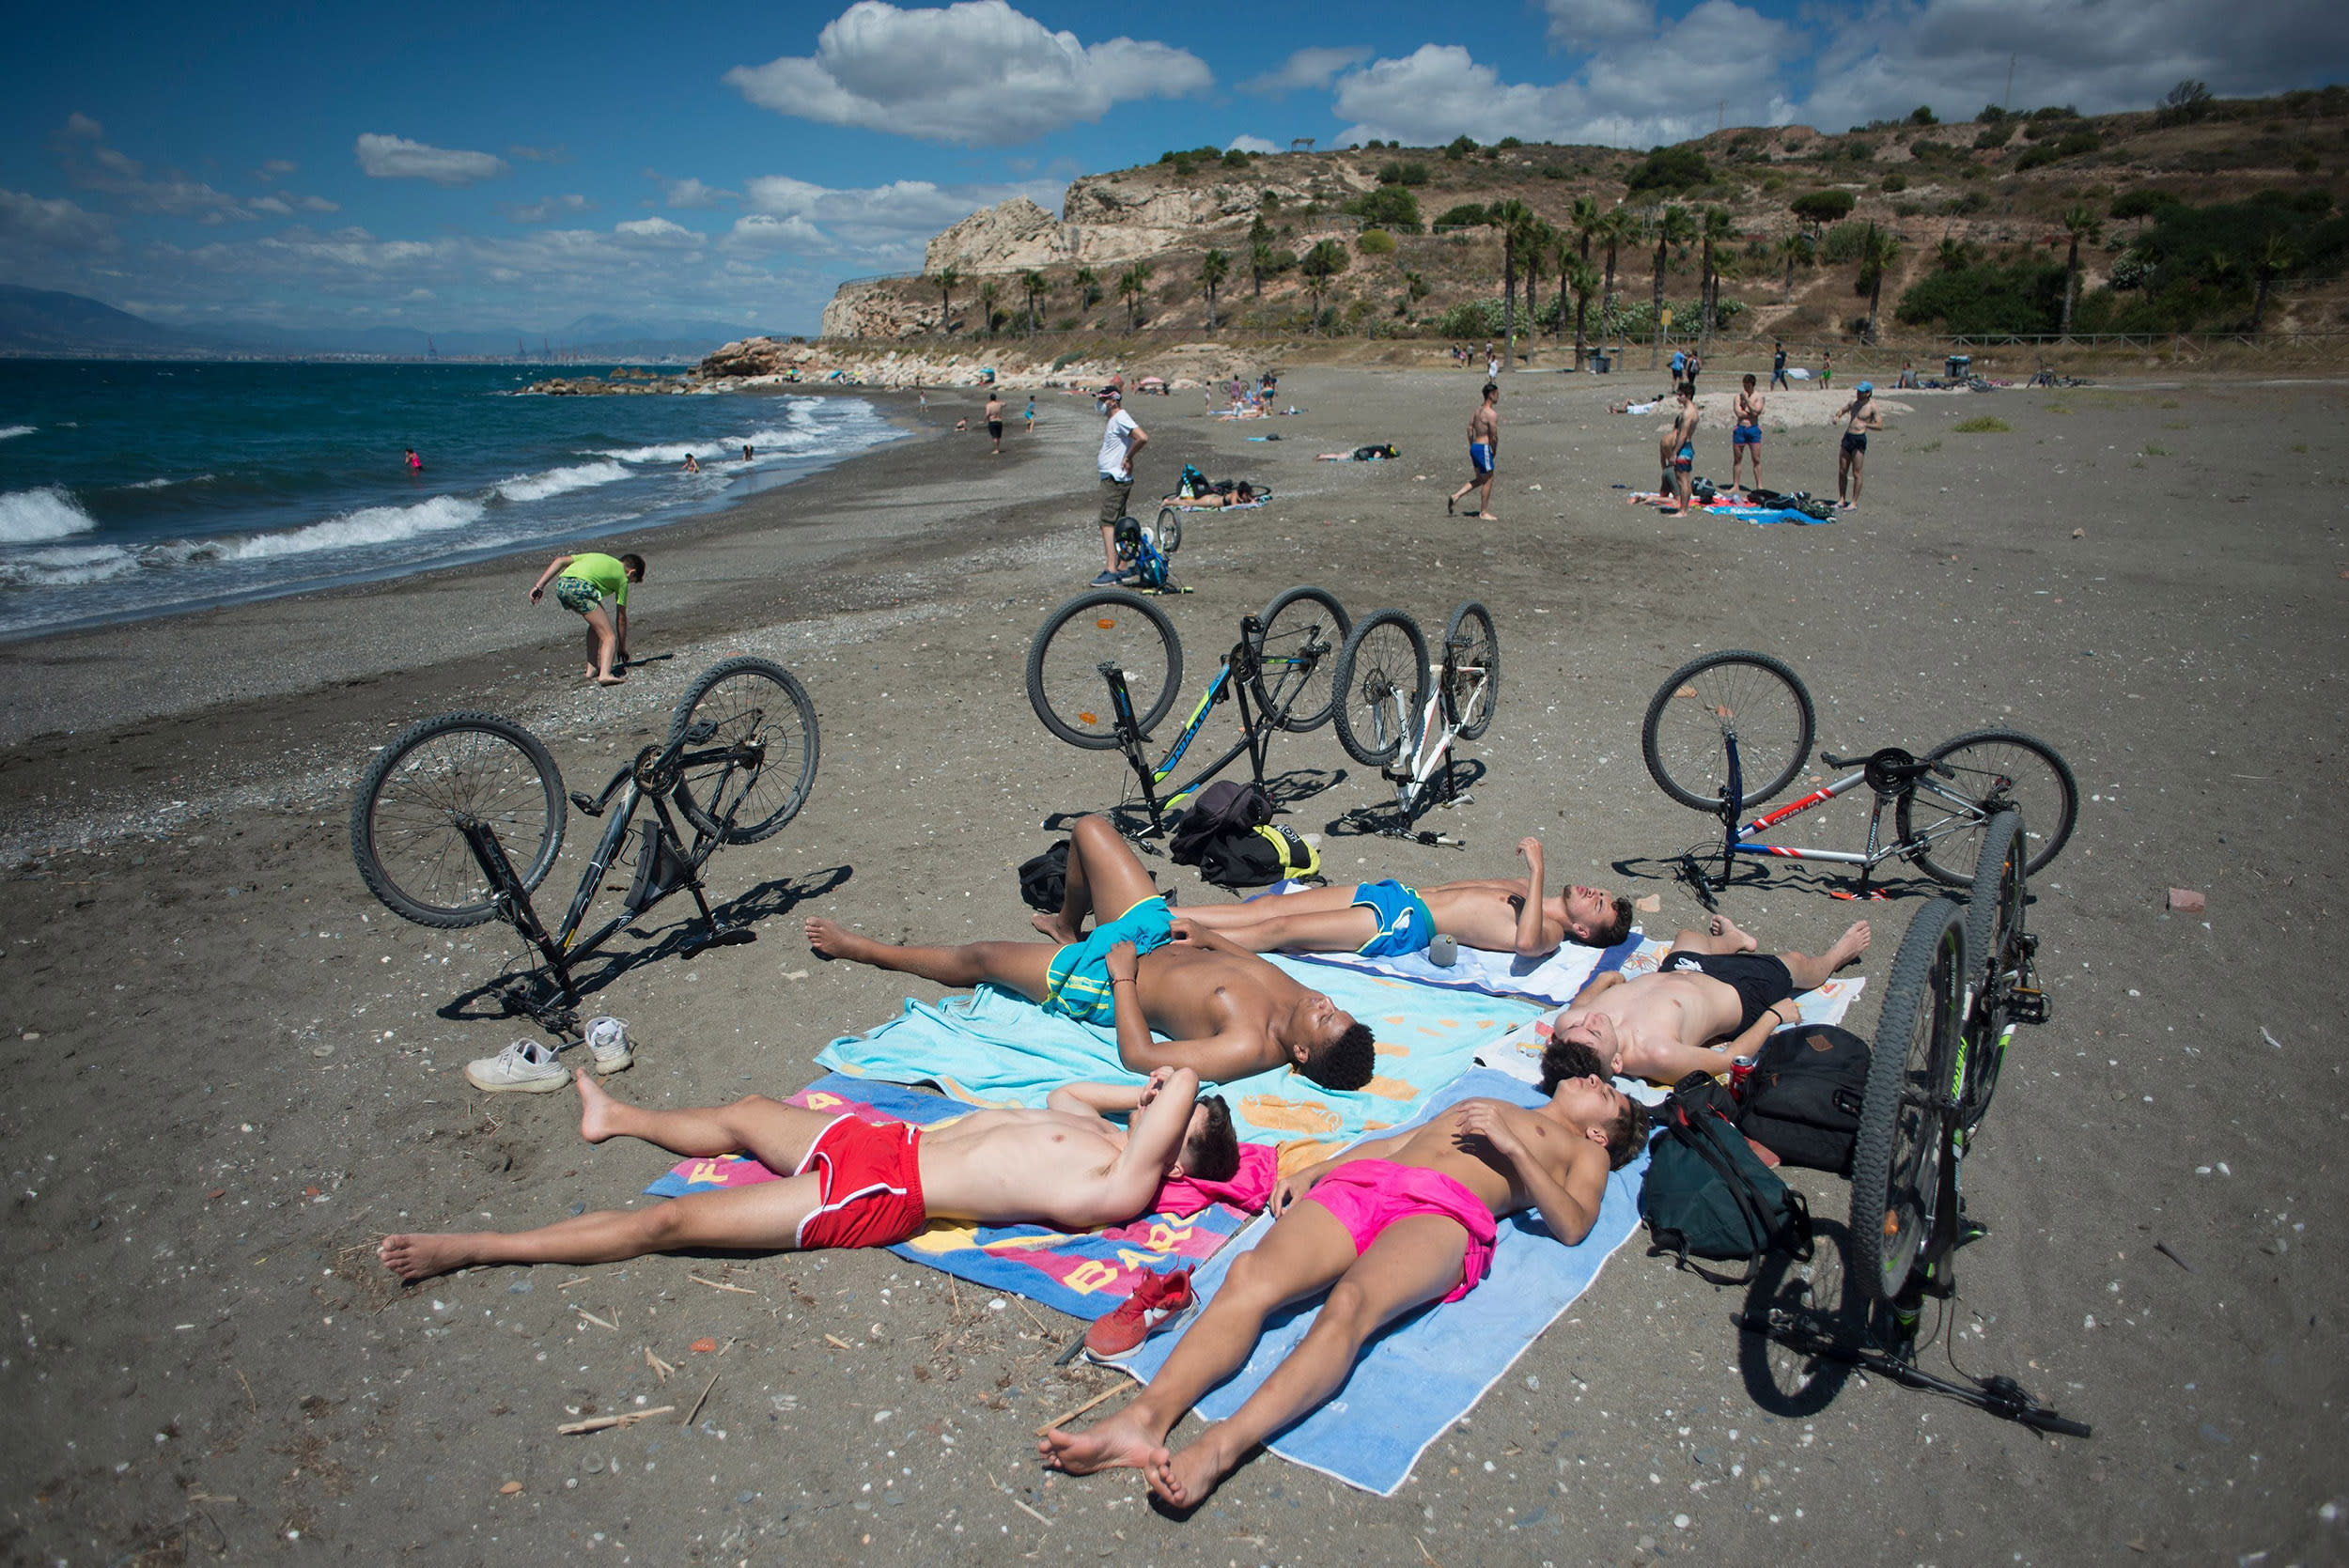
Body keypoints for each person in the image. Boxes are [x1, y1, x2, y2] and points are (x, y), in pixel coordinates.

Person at [1038, 1036, 1646, 1506]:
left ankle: (1220, 1447)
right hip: (1372, 1182)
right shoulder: (1496, 1100)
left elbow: (1572, 1222)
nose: (1597, 1078)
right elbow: (1401, 1139)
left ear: (1602, 1129)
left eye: (1610, 1093)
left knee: (1351, 1307)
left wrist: (1513, 1148)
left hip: (1443, 1212)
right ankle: (1143, 1421)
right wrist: (1322, 1167)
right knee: (1251, 1276)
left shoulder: (1583, 1149)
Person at [377, 1065, 1237, 1283]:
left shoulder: (1119, 1185)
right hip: (879, 1142)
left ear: (1176, 1150)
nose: (1158, 1088)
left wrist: (1177, 1092)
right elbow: (1071, 1088)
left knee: (665, 1226)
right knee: (750, 1110)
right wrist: (1145, 1094)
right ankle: (619, 1118)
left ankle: (478, 1248)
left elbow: (1190, 1079)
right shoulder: (1089, 1125)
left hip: (877, 1195)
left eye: (1170, 1106)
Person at [804, 815, 1377, 1089]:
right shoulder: (1305, 1001)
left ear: (1300, 1051)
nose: (1325, 1000)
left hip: (1105, 977)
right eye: (1334, 1007)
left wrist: (1123, 979)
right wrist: (1213, 940)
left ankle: (869, 950)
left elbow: (1140, 1058)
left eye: (1325, 1017)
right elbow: (1254, 967)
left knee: (981, 958)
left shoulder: (1247, 1047)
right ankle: (1064, 922)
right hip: (1157, 933)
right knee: (1090, 830)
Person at [1177, 837, 1631, 957]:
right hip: (1399, 895)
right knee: (1269, 906)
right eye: (1601, 891)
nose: (1593, 891)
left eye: (1597, 903)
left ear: (1583, 929)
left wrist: (1538, 872)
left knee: (1279, 931)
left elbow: (1526, 944)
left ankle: (1185, 940)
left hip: (1407, 925)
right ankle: (1164, 912)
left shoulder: (1548, 929)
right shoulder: (1521, 891)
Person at [1551, 914, 1871, 1084]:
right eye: (1595, 1032)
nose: (1591, 1019)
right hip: (1738, 991)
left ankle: (1735, 940)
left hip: (1682, 970)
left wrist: (1604, 981)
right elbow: (1728, 1060)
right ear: (1617, 1063)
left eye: (1582, 1025)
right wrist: (1773, 1016)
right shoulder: (1657, 1054)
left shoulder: (1570, 1025)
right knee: (1798, 963)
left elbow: (1579, 1006)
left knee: (1688, 936)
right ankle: (1837, 956)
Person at [528, 551, 645, 686]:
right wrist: (622, 648)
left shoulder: (597, 556)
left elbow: (560, 561)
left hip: (562, 585)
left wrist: (539, 586)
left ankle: (592, 669)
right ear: (632, 573)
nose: (629, 583)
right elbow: (621, 618)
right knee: (609, 637)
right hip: (582, 589)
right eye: (632, 581)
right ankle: (605, 675)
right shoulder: (623, 578)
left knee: (597, 625)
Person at [1094, 388, 1147, 584]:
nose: (1099, 403)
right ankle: (1123, 566)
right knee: (1119, 524)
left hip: (1115, 478)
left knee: (1107, 523)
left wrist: (1128, 457)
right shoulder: (1115, 420)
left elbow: (1142, 437)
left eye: (1103, 399)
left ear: (1113, 401)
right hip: (1114, 476)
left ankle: (1111, 569)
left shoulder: (1120, 418)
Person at [1446, 381, 1501, 520]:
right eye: (1496, 394)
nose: (1498, 397)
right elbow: (1494, 436)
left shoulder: (1477, 411)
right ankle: (1483, 512)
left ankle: (1456, 495)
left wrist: (1471, 444)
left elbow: (1469, 428)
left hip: (1475, 447)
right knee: (1489, 478)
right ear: (1491, 395)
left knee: (1480, 479)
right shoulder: (1491, 414)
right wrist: (1493, 450)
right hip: (1483, 448)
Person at [1835, 381, 1884, 511]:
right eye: (1858, 391)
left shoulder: (1872, 407)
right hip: (1848, 437)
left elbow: (1879, 425)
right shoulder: (1853, 403)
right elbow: (1843, 410)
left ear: (1868, 393)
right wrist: (1837, 416)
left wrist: (1866, 425)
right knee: (1842, 470)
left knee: (1857, 472)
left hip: (1859, 439)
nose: (1858, 393)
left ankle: (1854, 502)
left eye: (1861, 391)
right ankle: (1841, 499)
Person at [1659, 384, 1699, 514]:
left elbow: (1683, 434)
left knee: (1683, 481)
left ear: (1687, 395)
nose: (1678, 397)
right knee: (1685, 480)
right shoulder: (1692, 411)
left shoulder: (1688, 413)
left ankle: (1683, 510)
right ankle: (1684, 508)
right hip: (1686, 447)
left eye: (1680, 394)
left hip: (1683, 448)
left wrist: (1675, 452)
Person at [1729, 373, 1766, 493]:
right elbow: (1739, 413)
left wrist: (1747, 402)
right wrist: (1750, 411)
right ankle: (1735, 484)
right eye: (1744, 385)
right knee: (1737, 458)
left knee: (1756, 458)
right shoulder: (1738, 397)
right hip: (1740, 429)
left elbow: (1757, 411)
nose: (1745, 388)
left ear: (1752, 385)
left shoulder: (1758, 397)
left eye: (1748, 386)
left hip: (1753, 429)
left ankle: (1759, 485)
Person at [986, 390, 1006, 457]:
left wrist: (984, 419)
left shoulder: (988, 405)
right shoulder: (999, 404)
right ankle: (997, 448)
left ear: (990, 398)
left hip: (992, 421)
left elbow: (988, 413)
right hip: (999, 421)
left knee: (994, 436)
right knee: (998, 436)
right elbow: (1005, 404)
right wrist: (998, 402)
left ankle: (996, 449)